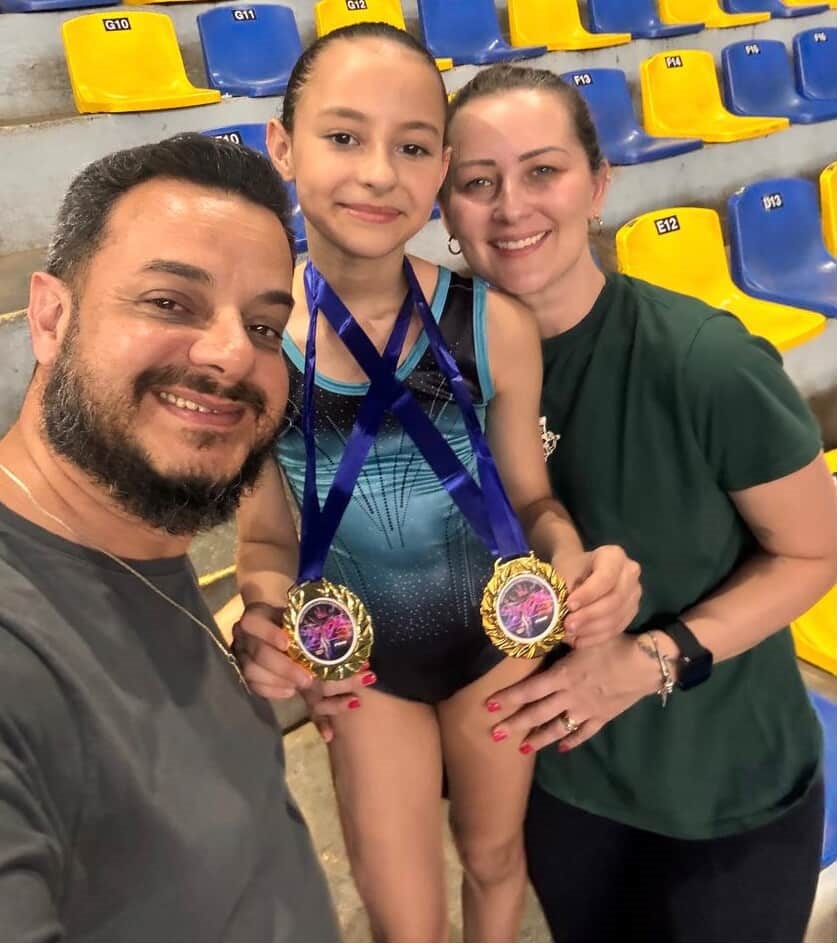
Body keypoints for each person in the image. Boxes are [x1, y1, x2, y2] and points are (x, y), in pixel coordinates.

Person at [232, 24, 640, 943]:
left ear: (440, 166)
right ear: (283, 146)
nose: (378, 172)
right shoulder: (253, 343)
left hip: (497, 641)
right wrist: (275, 618)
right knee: (400, 912)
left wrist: (568, 559)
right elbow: (262, 542)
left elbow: (532, 501)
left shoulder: (492, 325)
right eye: (342, 137)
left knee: (496, 861)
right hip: (362, 664)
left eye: (412, 146)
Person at [439, 64, 837, 943]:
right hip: (563, 786)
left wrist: (649, 656)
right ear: (445, 208)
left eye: (542, 170)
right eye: (477, 182)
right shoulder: (441, 380)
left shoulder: (702, 362)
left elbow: (814, 553)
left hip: (723, 793)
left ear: (596, 183)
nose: (510, 206)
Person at [0, 134, 340, 942]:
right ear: (50, 315)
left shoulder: (131, 545)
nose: (231, 353)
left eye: (263, 325)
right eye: (168, 302)